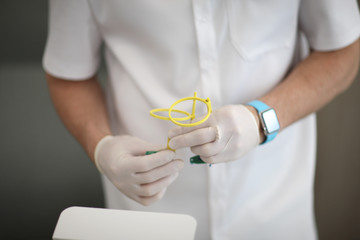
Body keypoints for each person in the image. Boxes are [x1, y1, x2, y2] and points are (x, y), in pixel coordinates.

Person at [43, 0, 360, 239]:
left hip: (275, 210)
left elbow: (343, 50)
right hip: (145, 217)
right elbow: (68, 72)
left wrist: (261, 120)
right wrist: (102, 147)